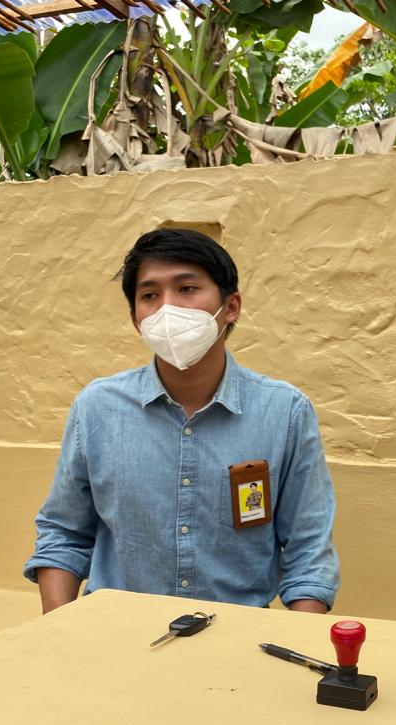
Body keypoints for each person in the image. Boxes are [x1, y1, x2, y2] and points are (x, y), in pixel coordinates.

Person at [24, 229, 339, 614]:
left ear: (232, 306)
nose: (167, 308)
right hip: (115, 630)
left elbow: (308, 551)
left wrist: (297, 640)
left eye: (187, 289)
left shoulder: (285, 412)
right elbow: (64, 535)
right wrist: (60, 631)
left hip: (238, 635)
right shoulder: (98, 408)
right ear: (136, 320)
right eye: (149, 295)